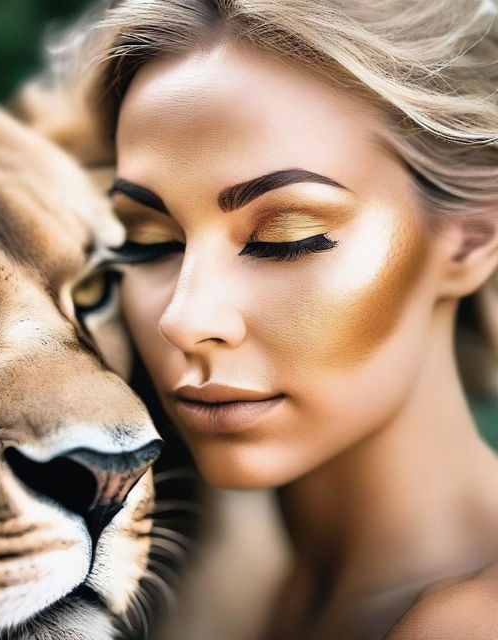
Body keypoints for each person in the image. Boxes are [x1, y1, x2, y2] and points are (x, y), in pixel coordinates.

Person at [39, 1, 498, 637]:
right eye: (148, 241)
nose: (184, 317)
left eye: (287, 236)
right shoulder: (212, 594)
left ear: (472, 237)